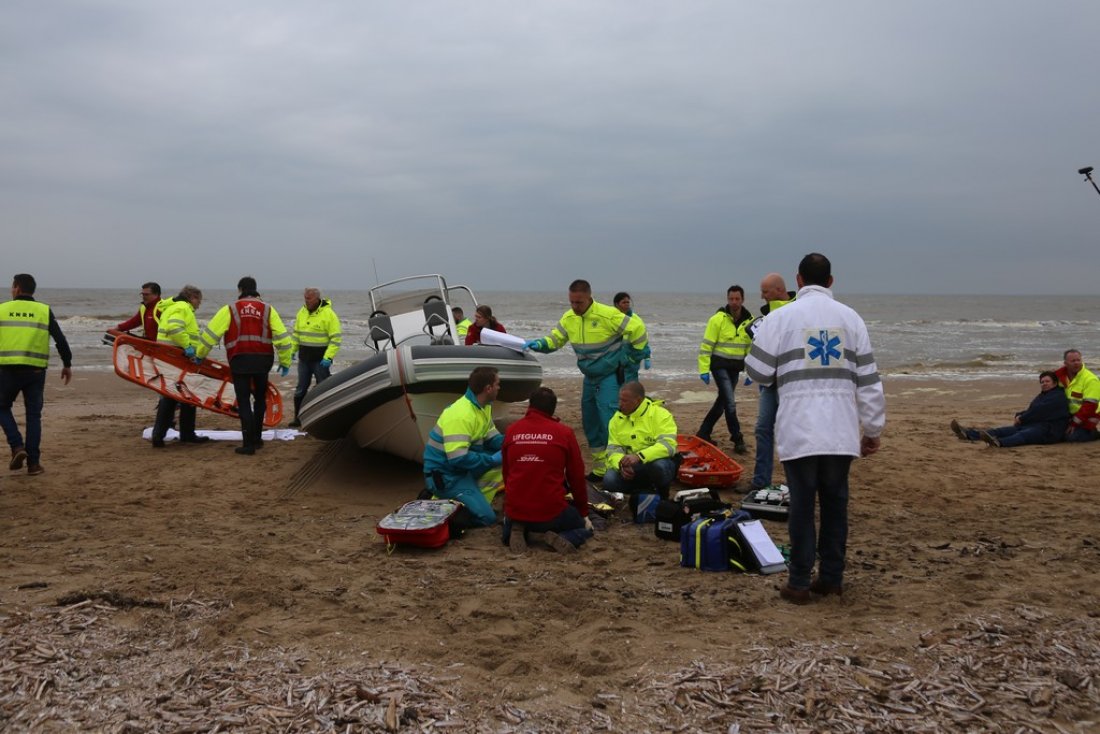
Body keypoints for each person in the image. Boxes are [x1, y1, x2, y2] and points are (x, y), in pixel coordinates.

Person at [744, 254, 885, 605]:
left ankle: (799, 582)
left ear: (799, 280)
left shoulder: (781, 318)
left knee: (803, 507)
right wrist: (872, 428)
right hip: (840, 430)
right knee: (837, 505)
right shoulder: (851, 319)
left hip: (801, 428)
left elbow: (757, 372)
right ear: (831, 281)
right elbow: (868, 380)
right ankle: (832, 578)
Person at [525, 280, 649, 480]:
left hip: (609, 376)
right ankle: (600, 469)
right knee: (590, 422)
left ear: (589, 298)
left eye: (579, 303)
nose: (575, 307)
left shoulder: (607, 314)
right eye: (572, 302)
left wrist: (635, 355)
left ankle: (616, 468)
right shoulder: (569, 318)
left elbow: (637, 328)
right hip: (589, 377)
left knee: (609, 422)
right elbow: (555, 340)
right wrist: (537, 344)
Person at [196, 277, 293, 455]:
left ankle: (248, 444)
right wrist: (285, 361)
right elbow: (283, 338)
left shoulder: (230, 309)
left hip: (239, 359)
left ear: (240, 289)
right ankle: (257, 439)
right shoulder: (268, 309)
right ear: (256, 290)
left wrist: (199, 355)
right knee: (260, 399)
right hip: (263, 360)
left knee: (243, 401)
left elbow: (210, 334)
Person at [502, 387, 594, 553]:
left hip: (516, 509)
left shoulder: (511, 431)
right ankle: (564, 538)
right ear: (552, 409)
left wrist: (511, 506)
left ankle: (516, 528)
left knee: (517, 515)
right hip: (550, 512)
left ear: (530, 406)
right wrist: (583, 511)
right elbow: (576, 477)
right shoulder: (564, 433)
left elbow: (507, 473)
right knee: (584, 529)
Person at [0, 273, 73, 476]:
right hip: (35, 370)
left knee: (2, 407)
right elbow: (60, 339)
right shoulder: (43, 310)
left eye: (12, 286)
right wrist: (67, 363)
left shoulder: (2, 309)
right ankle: (33, 464)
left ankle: (17, 446)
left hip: (7, 369)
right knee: (34, 416)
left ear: (17, 288)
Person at [422, 366, 505, 527]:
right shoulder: (461, 415)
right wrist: (490, 460)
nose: (499, 388)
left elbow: (493, 438)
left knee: (506, 460)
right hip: (446, 476)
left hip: (461, 469)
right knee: (487, 519)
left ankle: (473, 499)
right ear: (488, 389)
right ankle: (443, 505)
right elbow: (458, 458)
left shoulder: (483, 407)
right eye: (497, 384)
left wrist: (516, 441)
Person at [747, 273, 796, 490]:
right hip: (768, 382)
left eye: (765, 292)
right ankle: (760, 482)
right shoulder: (765, 315)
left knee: (791, 432)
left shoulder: (798, 309)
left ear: (778, 290)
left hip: (791, 382)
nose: (762, 296)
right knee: (763, 428)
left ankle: (795, 482)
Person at [695, 285, 754, 453]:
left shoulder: (750, 322)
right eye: (731, 299)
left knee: (722, 403)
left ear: (743, 300)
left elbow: (751, 350)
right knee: (730, 402)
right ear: (727, 299)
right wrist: (704, 369)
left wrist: (750, 371)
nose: (734, 302)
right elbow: (707, 345)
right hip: (719, 366)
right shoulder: (717, 319)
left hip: (735, 368)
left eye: (737, 299)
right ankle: (737, 438)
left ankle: (703, 432)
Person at [151, 285, 211, 448]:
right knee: (184, 394)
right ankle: (184, 434)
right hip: (177, 356)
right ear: (192, 297)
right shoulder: (183, 307)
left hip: (167, 355)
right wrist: (188, 347)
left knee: (173, 395)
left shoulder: (171, 307)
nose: (199, 304)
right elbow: (174, 328)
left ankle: (162, 434)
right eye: (199, 300)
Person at [602, 381, 679, 500]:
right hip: (631, 467)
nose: (620, 404)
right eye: (620, 399)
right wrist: (621, 464)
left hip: (653, 463)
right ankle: (641, 493)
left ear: (638, 400)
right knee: (609, 479)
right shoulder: (616, 420)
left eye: (625, 401)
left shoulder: (660, 415)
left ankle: (661, 492)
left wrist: (639, 456)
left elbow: (668, 446)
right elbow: (612, 449)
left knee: (659, 467)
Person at [950, 371, 1069, 447]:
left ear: (1054, 383)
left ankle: (999, 443)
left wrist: (1021, 418)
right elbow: (1032, 409)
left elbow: (1039, 411)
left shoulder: (1058, 396)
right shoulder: (1043, 395)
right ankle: (968, 434)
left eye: (1047, 381)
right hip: (1034, 424)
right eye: (1042, 382)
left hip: (1049, 431)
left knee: (1023, 435)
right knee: (1001, 431)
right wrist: (1019, 415)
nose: (1044, 384)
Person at [289, 287, 342, 427]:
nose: (306, 301)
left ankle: (325, 417)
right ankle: (297, 418)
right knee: (301, 388)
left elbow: (336, 339)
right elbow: (296, 335)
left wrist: (328, 357)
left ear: (317, 298)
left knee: (323, 388)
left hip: (320, 360)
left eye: (309, 298)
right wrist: (292, 351)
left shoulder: (329, 314)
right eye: (305, 298)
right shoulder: (301, 312)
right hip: (304, 359)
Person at [1055, 349, 1100, 442]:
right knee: (1054, 435)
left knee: (1071, 438)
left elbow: (1090, 406)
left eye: (1078, 360)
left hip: (1088, 416)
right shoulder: (1058, 377)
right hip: (1068, 415)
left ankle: (1095, 433)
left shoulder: (1091, 380)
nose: (1076, 363)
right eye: (1073, 361)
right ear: (1065, 363)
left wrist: (1074, 423)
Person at [613, 292, 652, 383]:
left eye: (628, 302)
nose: (627, 304)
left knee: (630, 388)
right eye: (624, 302)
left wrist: (647, 357)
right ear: (616, 304)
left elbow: (643, 340)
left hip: (630, 361)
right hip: (613, 360)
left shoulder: (635, 319)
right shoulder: (611, 318)